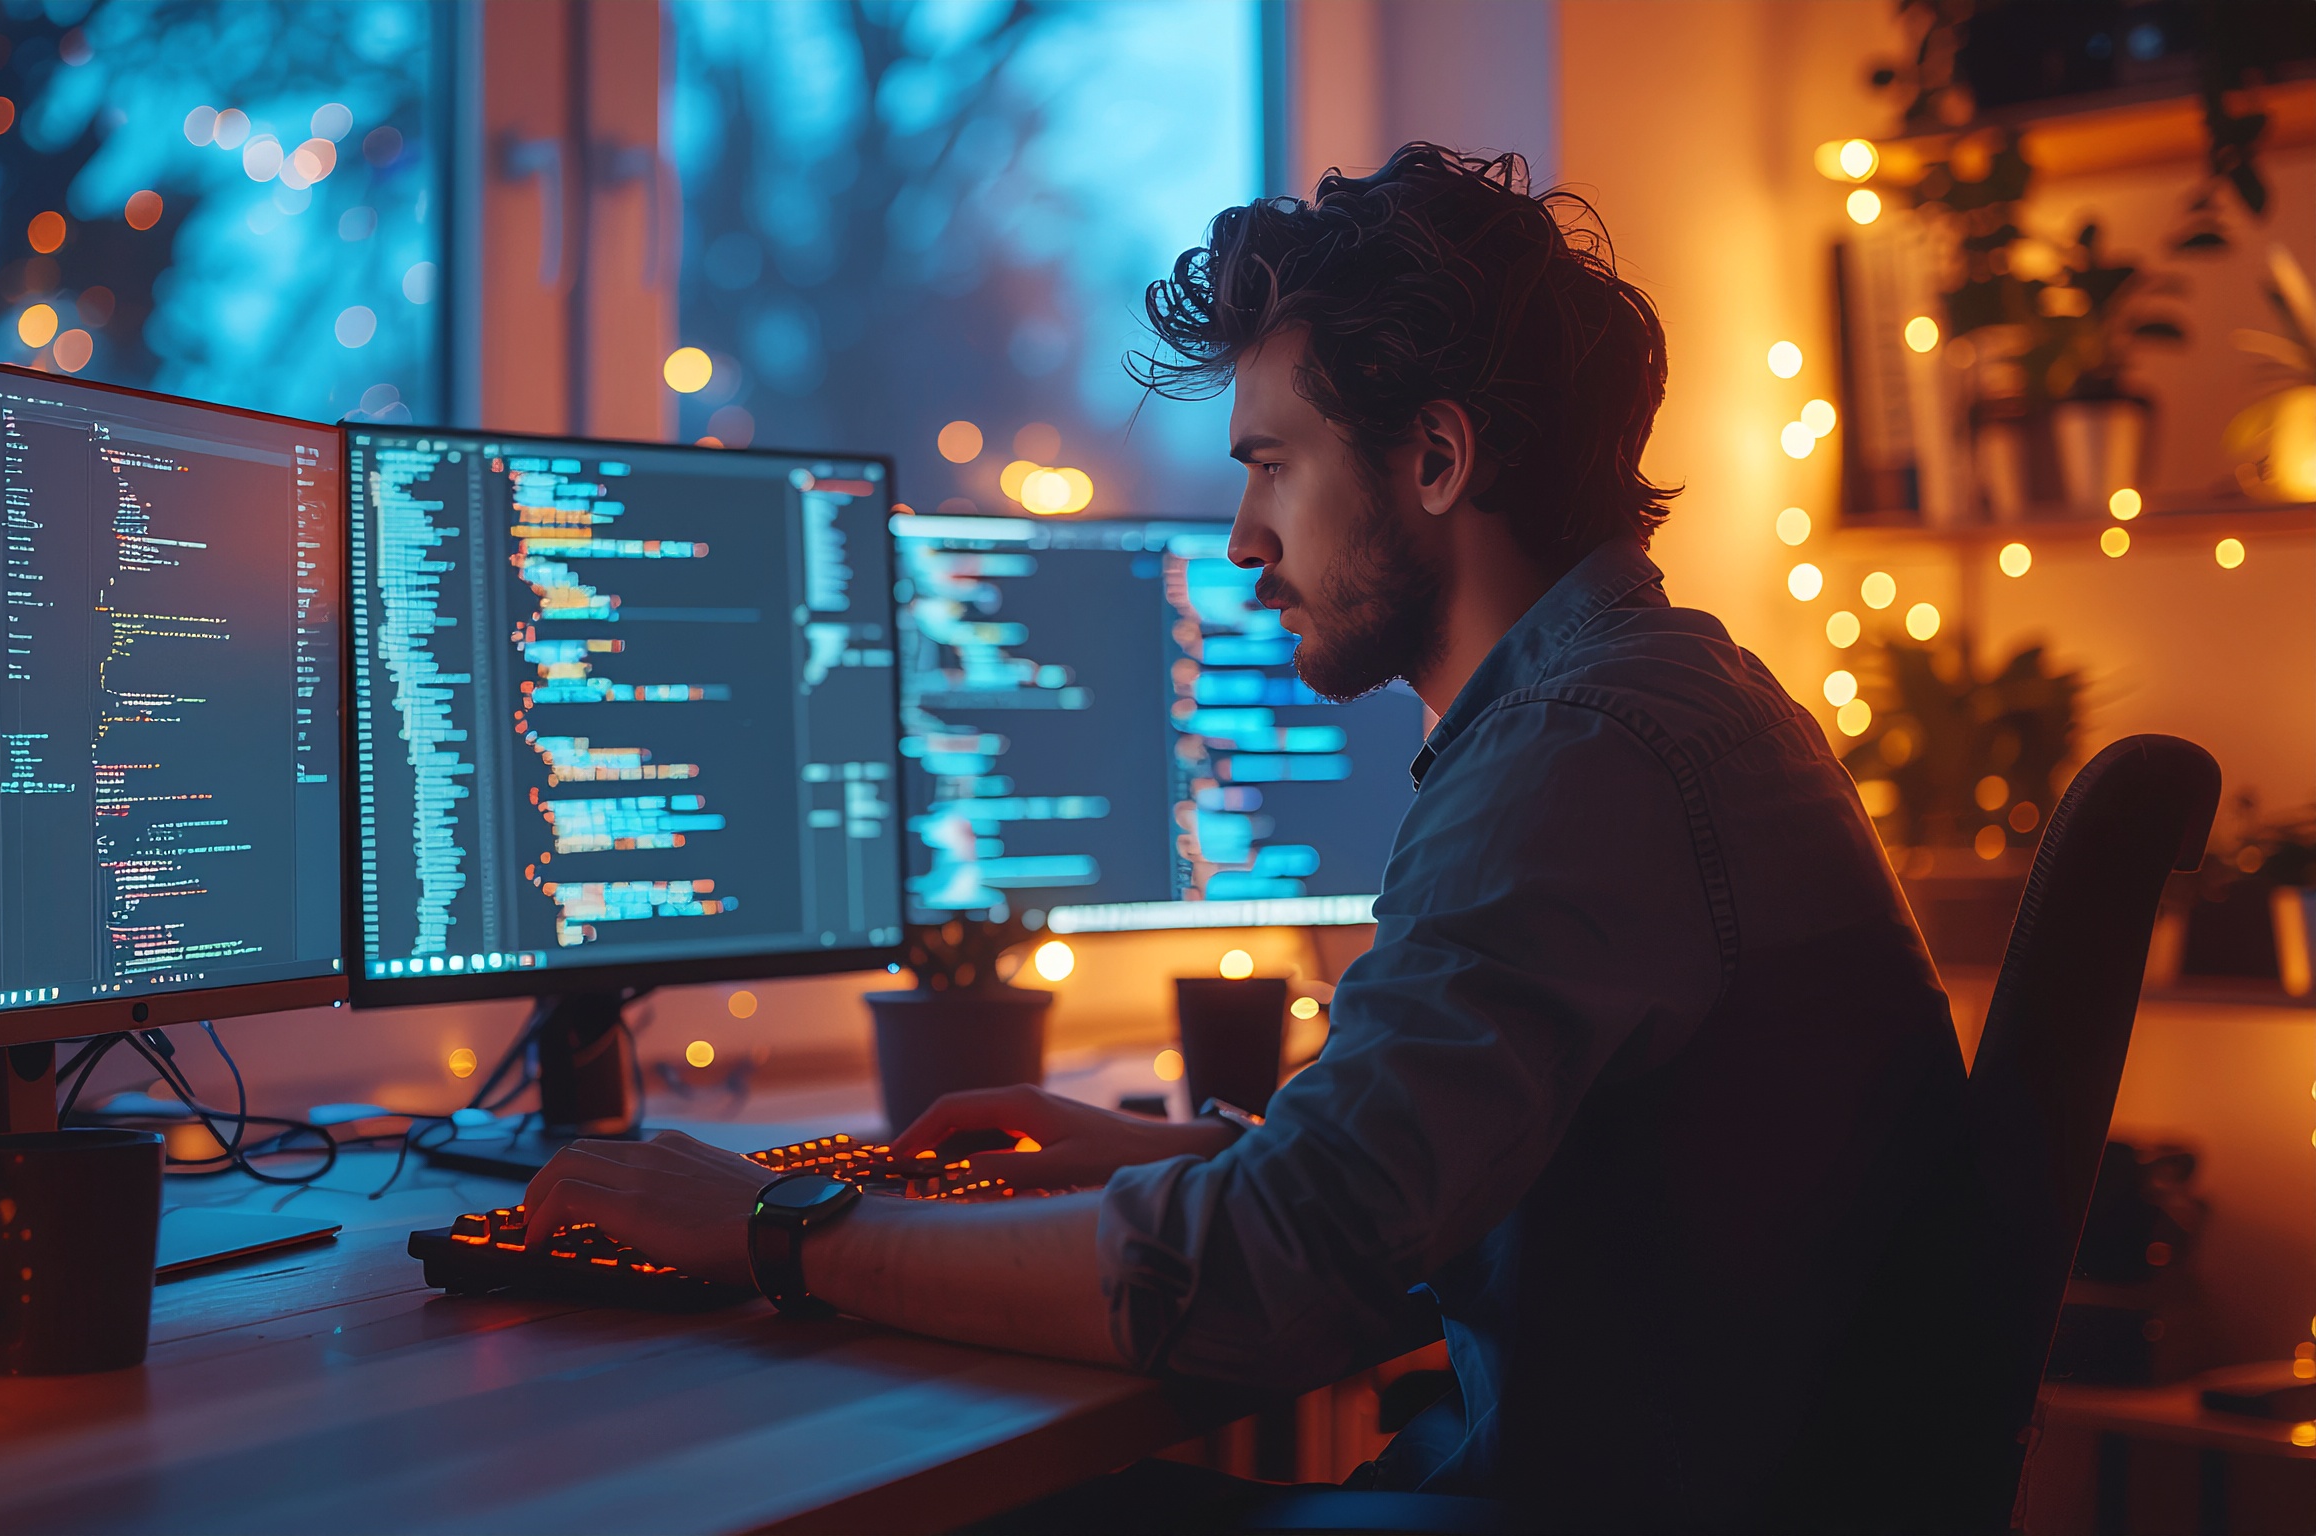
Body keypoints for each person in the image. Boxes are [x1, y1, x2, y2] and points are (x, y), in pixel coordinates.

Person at [520, 144, 1997, 1532]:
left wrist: (783, 1225)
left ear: (1434, 456)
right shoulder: (1665, 696)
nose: (1239, 536)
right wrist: (1178, 1154)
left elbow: (1266, 1283)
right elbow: (1423, 1188)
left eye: (1274, 462)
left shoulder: (1580, 752)